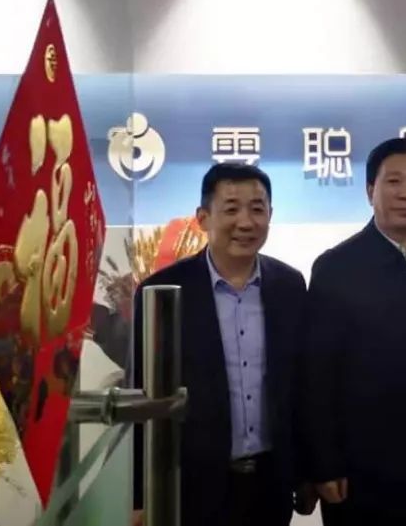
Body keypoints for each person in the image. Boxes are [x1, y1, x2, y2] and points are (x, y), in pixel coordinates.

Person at [131, 163, 314, 526]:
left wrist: (307, 472)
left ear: (270, 215)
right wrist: (140, 493)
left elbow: (303, 386)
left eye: (257, 209)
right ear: (203, 218)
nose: (245, 222)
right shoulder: (163, 292)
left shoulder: (290, 285)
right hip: (192, 485)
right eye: (231, 209)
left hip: (270, 483)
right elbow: (143, 398)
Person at [306, 137, 406, 526]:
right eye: (393, 181)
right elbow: (316, 376)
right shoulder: (335, 267)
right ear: (369, 190)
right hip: (358, 469)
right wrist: (324, 463)